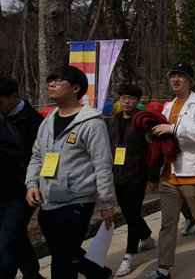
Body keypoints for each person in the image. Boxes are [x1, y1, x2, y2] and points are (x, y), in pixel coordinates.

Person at [25, 65, 115, 279]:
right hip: (48, 202)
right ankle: (99, 273)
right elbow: (37, 156)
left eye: (59, 80)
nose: (52, 84)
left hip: (77, 201)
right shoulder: (47, 121)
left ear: (76, 88)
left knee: (62, 263)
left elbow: (102, 163)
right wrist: (31, 185)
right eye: (51, 80)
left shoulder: (92, 122)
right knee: (64, 252)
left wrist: (107, 203)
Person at [149, 62, 195, 279]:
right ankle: (163, 268)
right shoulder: (167, 106)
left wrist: (173, 128)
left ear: (190, 81)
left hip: (193, 171)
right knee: (167, 222)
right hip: (168, 173)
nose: (175, 79)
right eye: (173, 76)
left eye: (180, 76)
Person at [108, 84, 158, 277]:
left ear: (138, 101)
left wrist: (153, 177)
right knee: (130, 213)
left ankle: (129, 255)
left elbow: (153, 151)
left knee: (132, 212)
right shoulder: (114, 120)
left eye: (130, 98)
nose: (126, 101)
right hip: (118, 174)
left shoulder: (144, 121)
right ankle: (146, 236)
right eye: (123, 98)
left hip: (137, 174)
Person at [0, 76, 45, 279]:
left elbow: (35, 159)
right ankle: (33, 275)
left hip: (22, 192)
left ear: (14, 96)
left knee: (6, 245)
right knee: (15, 237)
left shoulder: (35, 122)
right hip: (2, 191)